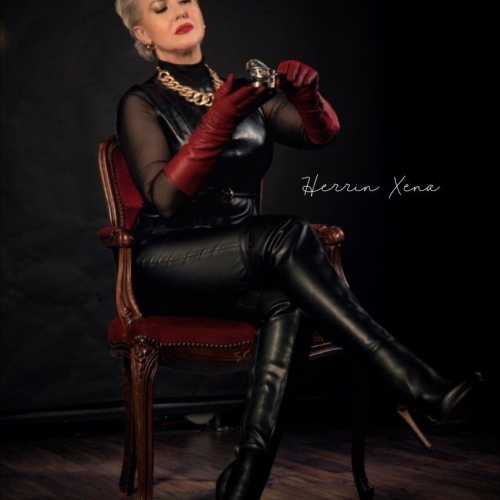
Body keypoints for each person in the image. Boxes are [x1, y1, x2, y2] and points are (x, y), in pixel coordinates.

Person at [114, 1, 483, 498]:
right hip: (168, 263)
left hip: (238, 263)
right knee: (286, 233)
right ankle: (410, 379)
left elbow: (318, 134)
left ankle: (244, 480)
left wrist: (307, 98)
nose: (178, 9)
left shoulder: (243, 91)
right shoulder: (141, 103)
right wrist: (218, 119)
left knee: (289, 306)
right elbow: (164, 198)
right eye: (160, 7)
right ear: (143, 33)